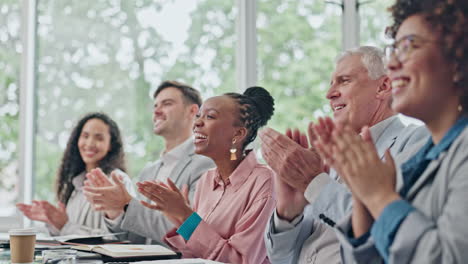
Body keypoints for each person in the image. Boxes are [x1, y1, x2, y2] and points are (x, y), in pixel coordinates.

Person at [315, 0, 468, 263]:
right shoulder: (425, 159)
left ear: (458, 59)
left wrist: (377, 195)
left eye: (409, 46)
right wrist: (363, 201)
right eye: (394, 49)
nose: (393, 63)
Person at [261, 46, 428, 263]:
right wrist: (287, 212)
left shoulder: (417, 142)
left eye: (344, 80)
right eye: (331, 83)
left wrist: (313, 182)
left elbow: (389, 234)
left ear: (383, 86)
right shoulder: (326, 157)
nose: (329, 94)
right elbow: (281, 258)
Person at [137, 87, 276, 263]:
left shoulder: (265, 182)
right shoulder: (206, 180)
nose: (197, 123)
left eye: (209, 116)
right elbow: (193, 255)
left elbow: (240, 261)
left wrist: (186, 216)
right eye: (198, 116)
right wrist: (180, 218)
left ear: (238, 134)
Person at [83, 81, 214, 244]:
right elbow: (137, 239)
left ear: (193, 111)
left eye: (167, 104)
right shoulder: (148, 172)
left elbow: (191, 233)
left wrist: (127, 204)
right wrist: (116, 211)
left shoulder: (207, 165)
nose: (157, 112)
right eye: (155, 106)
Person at [16, 112, 134, 236]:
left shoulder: (118, 181)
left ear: (111, 145)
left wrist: (65, 225)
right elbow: (70, 238)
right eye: (85, 136)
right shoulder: (76, 186)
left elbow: (119, 240)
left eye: (99, 138)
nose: (89, 143)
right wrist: (54, 221)